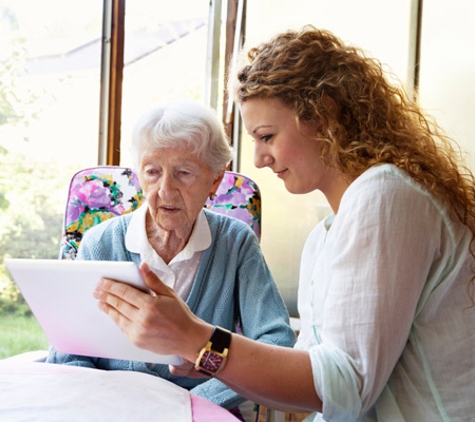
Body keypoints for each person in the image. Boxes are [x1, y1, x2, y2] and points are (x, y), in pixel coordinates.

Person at [91, 26, 475, 421]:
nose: (258, 159)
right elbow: (300, 395)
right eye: (152, 171)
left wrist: (197, 339)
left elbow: (348, 387)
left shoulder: (385, 195)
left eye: (267, 136)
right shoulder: (325, 239)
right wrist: (203, 354)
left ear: (322, 115)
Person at [46, 101, 296, 420]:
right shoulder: (100, 243)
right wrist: (105, 405)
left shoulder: (236, 243)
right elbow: (69, 351)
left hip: (201, 413)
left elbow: (277, 342)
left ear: (215, 182)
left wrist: (195, 403)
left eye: (184, 173)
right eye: (152, 172)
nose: (165, 190)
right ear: (140, 176)